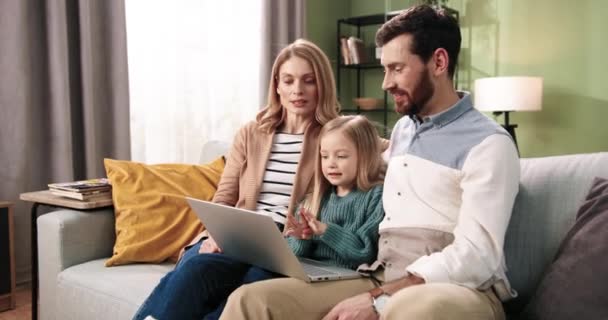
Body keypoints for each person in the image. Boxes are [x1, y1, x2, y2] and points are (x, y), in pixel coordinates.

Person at [220, 5, 520, 320]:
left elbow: (478, 256)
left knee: (414, 311)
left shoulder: (489, 144)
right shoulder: (403, 131)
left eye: (397, 68)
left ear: (439, 62)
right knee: (251, 300)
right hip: (379, 274)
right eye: (384, 69)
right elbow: (348, 164)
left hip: (457, 288)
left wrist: (378, 300)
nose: (385, 83)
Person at [132, 38, 340, 320]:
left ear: (322, 85)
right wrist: (217, 233)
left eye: (308, 81)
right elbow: (225, 196)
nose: (297, 90)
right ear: (277, 85)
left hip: (285, 245)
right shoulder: (251, 132)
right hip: (235, 234)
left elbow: (381, 146)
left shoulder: (335, 135)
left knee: (247, 291)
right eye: (288, 81)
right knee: (194, 270)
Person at [285, 115, 385, 272]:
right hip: (309, 271)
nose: (331, 163)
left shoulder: (376, 196)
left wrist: (325, 230)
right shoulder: (316, 198)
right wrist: (302, 238)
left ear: (366, 156)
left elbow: (364, 252)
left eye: (341, 156)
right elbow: (294, 253)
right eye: (324, 156)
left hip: (347, 275)